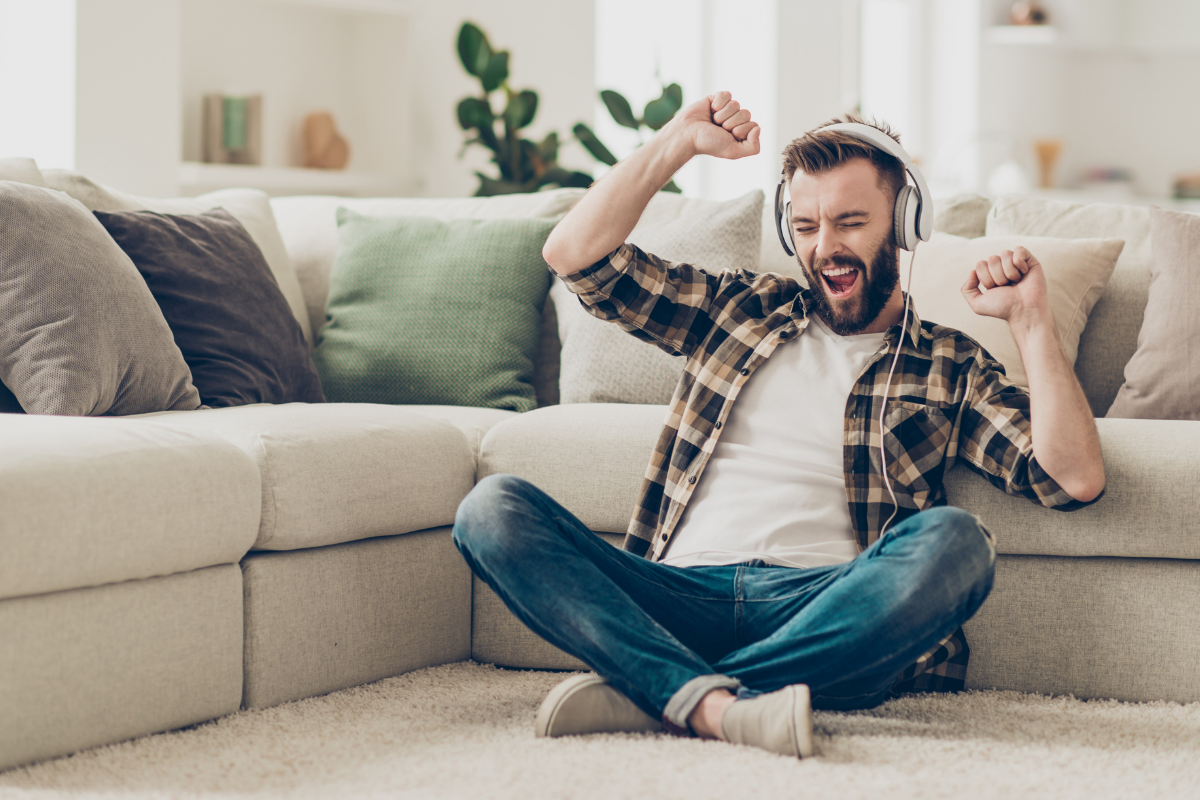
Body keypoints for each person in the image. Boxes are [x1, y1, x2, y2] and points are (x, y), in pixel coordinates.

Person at [452, 91, 1106, 759]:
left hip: (824, 605)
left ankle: (662, 692)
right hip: (677, 595)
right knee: (491, 508)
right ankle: (722, 702)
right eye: (806, 226)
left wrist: (1030, 323)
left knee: (958, 544)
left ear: (906, 222)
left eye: (851, 222)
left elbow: (1072, 477)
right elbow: (574, 256)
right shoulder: (737, 306)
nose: (826, 248)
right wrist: (676, 141)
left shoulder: (948, 361)